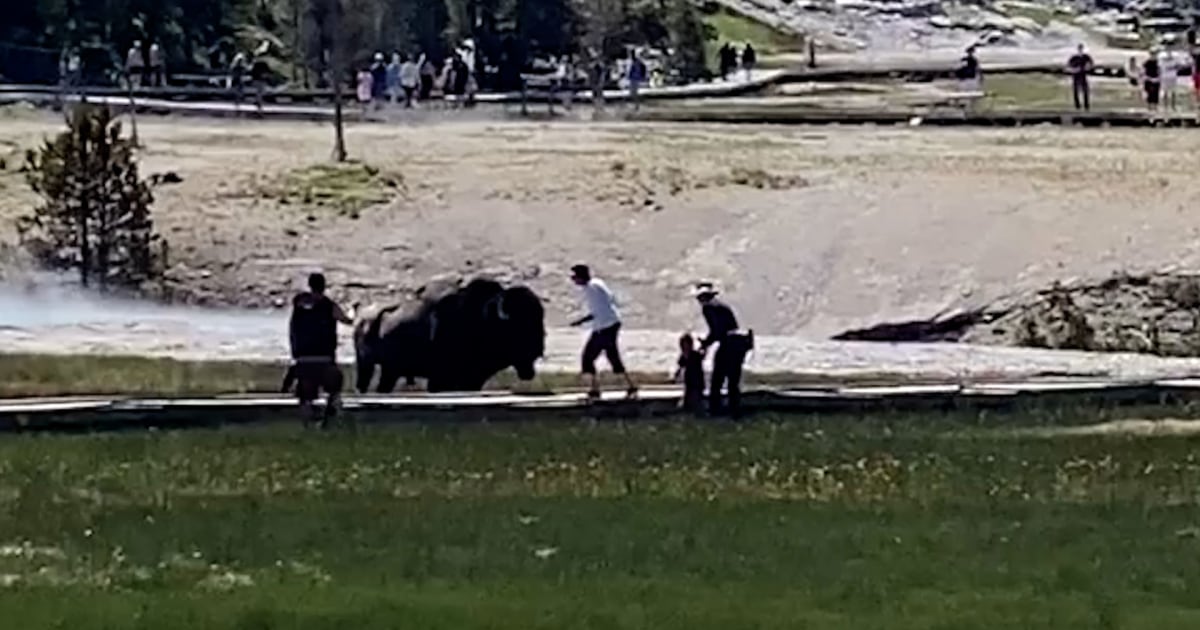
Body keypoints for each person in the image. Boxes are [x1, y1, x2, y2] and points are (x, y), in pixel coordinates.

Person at [288, 272, 354, 426]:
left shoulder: (299, 304)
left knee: (305, 397)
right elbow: (346, 320)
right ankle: (329, 419)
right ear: (324, 286)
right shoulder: (328, 305)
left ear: (309, 285)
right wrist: (352, 310)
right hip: (324, 359)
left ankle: (306, 424)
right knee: (335, 388)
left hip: (302, 359)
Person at [569, 264, 638, 400]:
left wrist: (583, 321)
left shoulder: (591, 289)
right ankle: (630, 386)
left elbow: (597, 311)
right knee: (612, 355)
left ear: (581, 277)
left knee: (588, 357)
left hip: (604, 327)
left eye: (575, 277)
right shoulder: (598, 283)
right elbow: (607, 304)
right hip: (611, 323)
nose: (574, 280)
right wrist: (581, 321)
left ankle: (595, 389)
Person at [694, 283, 753, 417]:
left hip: (729, 344)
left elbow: (717, 331)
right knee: (733, 381)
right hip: (738, 344)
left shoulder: (709, 308)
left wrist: (705, 344)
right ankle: (734, 410)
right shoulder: (721, 306)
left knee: (717, 379)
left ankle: (715, 409)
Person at [674, 332, 705, 413]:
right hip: (689, 381)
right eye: (684, 344)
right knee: (688, 398)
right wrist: (677, 374)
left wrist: (703, 345)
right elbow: (680, 366)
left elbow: (702, 355)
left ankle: (698, 410)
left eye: (687, 344)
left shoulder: (695, 355)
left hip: (697, 381)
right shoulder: (683, 356)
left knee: (696, 398)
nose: (685, 346)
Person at [1066, 44, 1093, 111]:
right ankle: (1077, 106)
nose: (1080, 50)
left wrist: (1088, 67)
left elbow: (1091, 64)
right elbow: (1068, 66)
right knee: (1076, 91)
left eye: (1081, 49)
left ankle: (1086, 105)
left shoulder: (1086, 56)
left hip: (1083, 75)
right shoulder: (1074, 57)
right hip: (1076, 75)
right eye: (1079, 49)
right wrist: (1074, 70)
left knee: (1085, 91)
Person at [1160, 45, 1179, 111]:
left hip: (1173, 76)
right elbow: (1160, 65)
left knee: (1173, 91)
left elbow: (1177, 65)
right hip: (1165, 76)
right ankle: (1165, 106)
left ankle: (1173, 106)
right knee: (1165, 91)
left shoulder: (1176, 55)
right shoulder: (1161, 55)